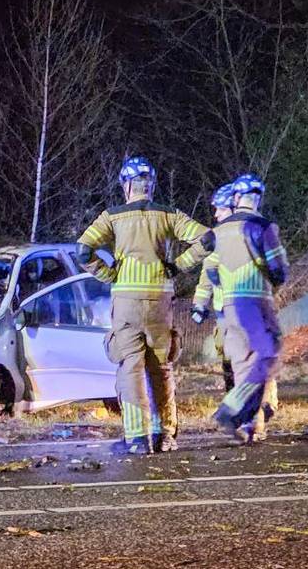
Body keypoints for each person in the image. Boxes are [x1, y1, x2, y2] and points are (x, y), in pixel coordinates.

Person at [77, 156, 214, 455]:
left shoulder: (112, 216)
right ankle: (165, 435)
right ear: (151, 185)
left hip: (126, 300)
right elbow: (207, 238)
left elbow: (83, 249)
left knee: (131, 367)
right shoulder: (168, 215)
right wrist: (178, 266)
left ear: (126, 186)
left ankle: (137, 439)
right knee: (160, 367)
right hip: (159, 300)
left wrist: (109, 273)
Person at [210, 174, 289, 444]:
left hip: (229, 303)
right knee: (268, 353)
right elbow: (278, 268)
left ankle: (246, 424)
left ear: (235, 199)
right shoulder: (261, 226)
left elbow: (211, 269)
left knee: (244, 360)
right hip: (255, 301)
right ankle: (231, 409)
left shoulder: (219, 230)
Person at [192, 184, 236, 393]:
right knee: (227, 356)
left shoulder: (251, 233)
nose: (216, 214)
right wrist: (199, 304)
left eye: (221, 209)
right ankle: (233, 399)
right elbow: (206, 275)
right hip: (223, 312)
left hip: (246, 310)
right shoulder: (215, 238)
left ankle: (263, 403)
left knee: (252, 357)